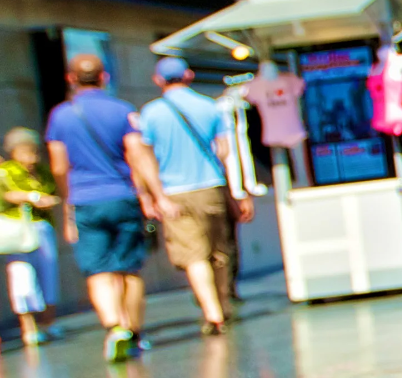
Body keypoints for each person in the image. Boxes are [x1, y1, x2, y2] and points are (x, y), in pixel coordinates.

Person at [44, 53, 162, 361]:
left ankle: (113, 326)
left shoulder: (61, 116)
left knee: (97, 270)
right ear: (104, 77)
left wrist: (69, 201)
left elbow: (58, 165)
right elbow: (137, 154)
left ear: (70, 78)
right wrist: (152, 195)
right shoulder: (122, 111)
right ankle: (133, 331)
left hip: (85, 200)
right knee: (129, 268)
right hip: (122, 195)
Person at [137, 56, 252, 335]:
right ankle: (223, 303)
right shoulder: (210, 107)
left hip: (173, 192)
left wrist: (152, 195)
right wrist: (237, 191)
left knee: (193, 255)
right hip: (210, 186)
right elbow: (225, 152)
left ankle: (211, 313)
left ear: (157, 80)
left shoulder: (150, 113)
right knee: (218, 251)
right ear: (188, 75)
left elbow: (144, 157)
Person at [0, 128, 60, 347]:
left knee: (48, 274)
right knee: (22, 279)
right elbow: (7, 194)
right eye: (25, 151)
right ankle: (28, 326)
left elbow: (52, 190)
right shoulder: (6, 172)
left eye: (34, 151)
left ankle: (48, 322)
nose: (31, 156)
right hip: (16, 230)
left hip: (41, 227)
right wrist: (32, 197)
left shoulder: (42, 171)